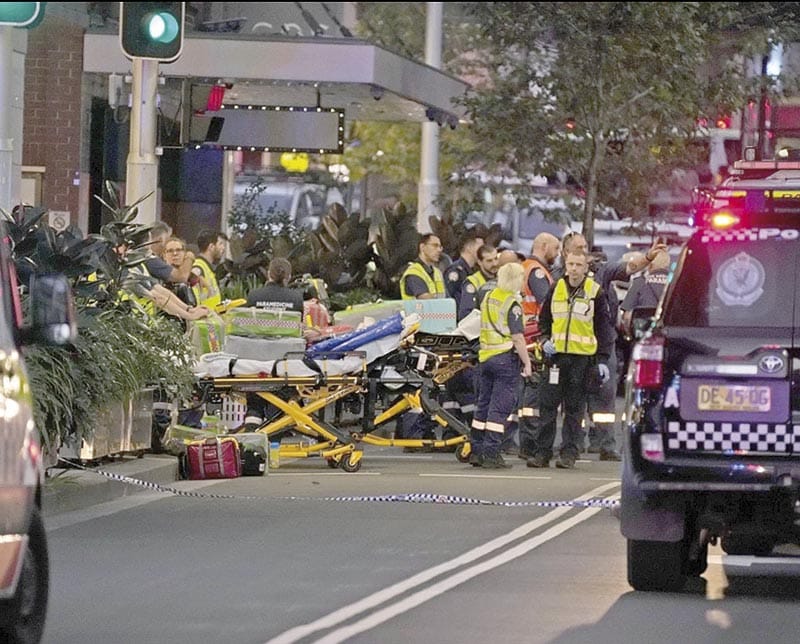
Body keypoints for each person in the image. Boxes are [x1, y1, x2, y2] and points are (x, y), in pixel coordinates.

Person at [527, 248, 615, 469]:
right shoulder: (556, 288)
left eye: (578, 265)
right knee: (547, 407)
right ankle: (542, 453)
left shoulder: (595, 292)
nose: (574, 269)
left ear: (586, 268)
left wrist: (603, 359)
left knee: (574, 411)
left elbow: (603, 329)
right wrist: (545, 339)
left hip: (581, 361)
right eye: (570, 265)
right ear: (565, 266)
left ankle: (569, 454)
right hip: (556, 358)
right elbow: (544, 319)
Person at [470, 262, 532, 469]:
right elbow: (518, 338)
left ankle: (476, 451)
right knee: (500, 408)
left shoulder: (488, 297)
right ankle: (492, 453)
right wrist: (527, 363)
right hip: (505, 359)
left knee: (483, 406)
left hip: (485, 357)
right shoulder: (512, 304)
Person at [517, 233, 560, 459]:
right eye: (555, 248)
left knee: (529, 391)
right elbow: (548, 305)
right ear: (544, 246)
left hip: (527, 334)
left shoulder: (526, 267)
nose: (558, 253)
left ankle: (527, 442)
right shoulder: (537, 272)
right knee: (534, 391)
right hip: (534, 336)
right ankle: (531, 443)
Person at [621, 248, 670, 333]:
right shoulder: (674, 284)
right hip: (669, 333)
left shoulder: (639, 282)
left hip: (643, 332)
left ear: (650, 265)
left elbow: (627, 316)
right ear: (667, 265)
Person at [143, 221, 195, 287]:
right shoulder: (151, 260)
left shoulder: (149, 258)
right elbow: (182, 277)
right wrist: (189, 256)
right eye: (167, 239)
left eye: (179, 250)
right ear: (161, 239)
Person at [458, 244, 499, 321]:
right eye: (489, 261)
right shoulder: (472, 282)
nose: (494, 264)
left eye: (496, 258)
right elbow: (466, 314)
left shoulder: (502, 278)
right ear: (479, 262)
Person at [399, 234, 446, 300]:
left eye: (440, 247)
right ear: (422, 247)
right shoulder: (414, 272)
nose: (439, 250)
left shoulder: (437, 272)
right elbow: (425, 299)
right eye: (435, 246)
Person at [444, 230, 484, 306]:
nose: (483, 251)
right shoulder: (455, 271)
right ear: (469, 248)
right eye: (480, 247)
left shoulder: (474, 270)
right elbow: (450, 298)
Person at [192, 229, 228, 310]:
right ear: (211, 247)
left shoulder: (206, 267)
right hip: (203, 319)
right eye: (220, 244)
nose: (223, 248)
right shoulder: (199, 267)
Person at [162, 236, 198, 308]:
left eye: (178, 250)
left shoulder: (193, 279)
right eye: (170, 251)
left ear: (184, 253)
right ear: (164, 256)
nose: (175, 253)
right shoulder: (161, 279)